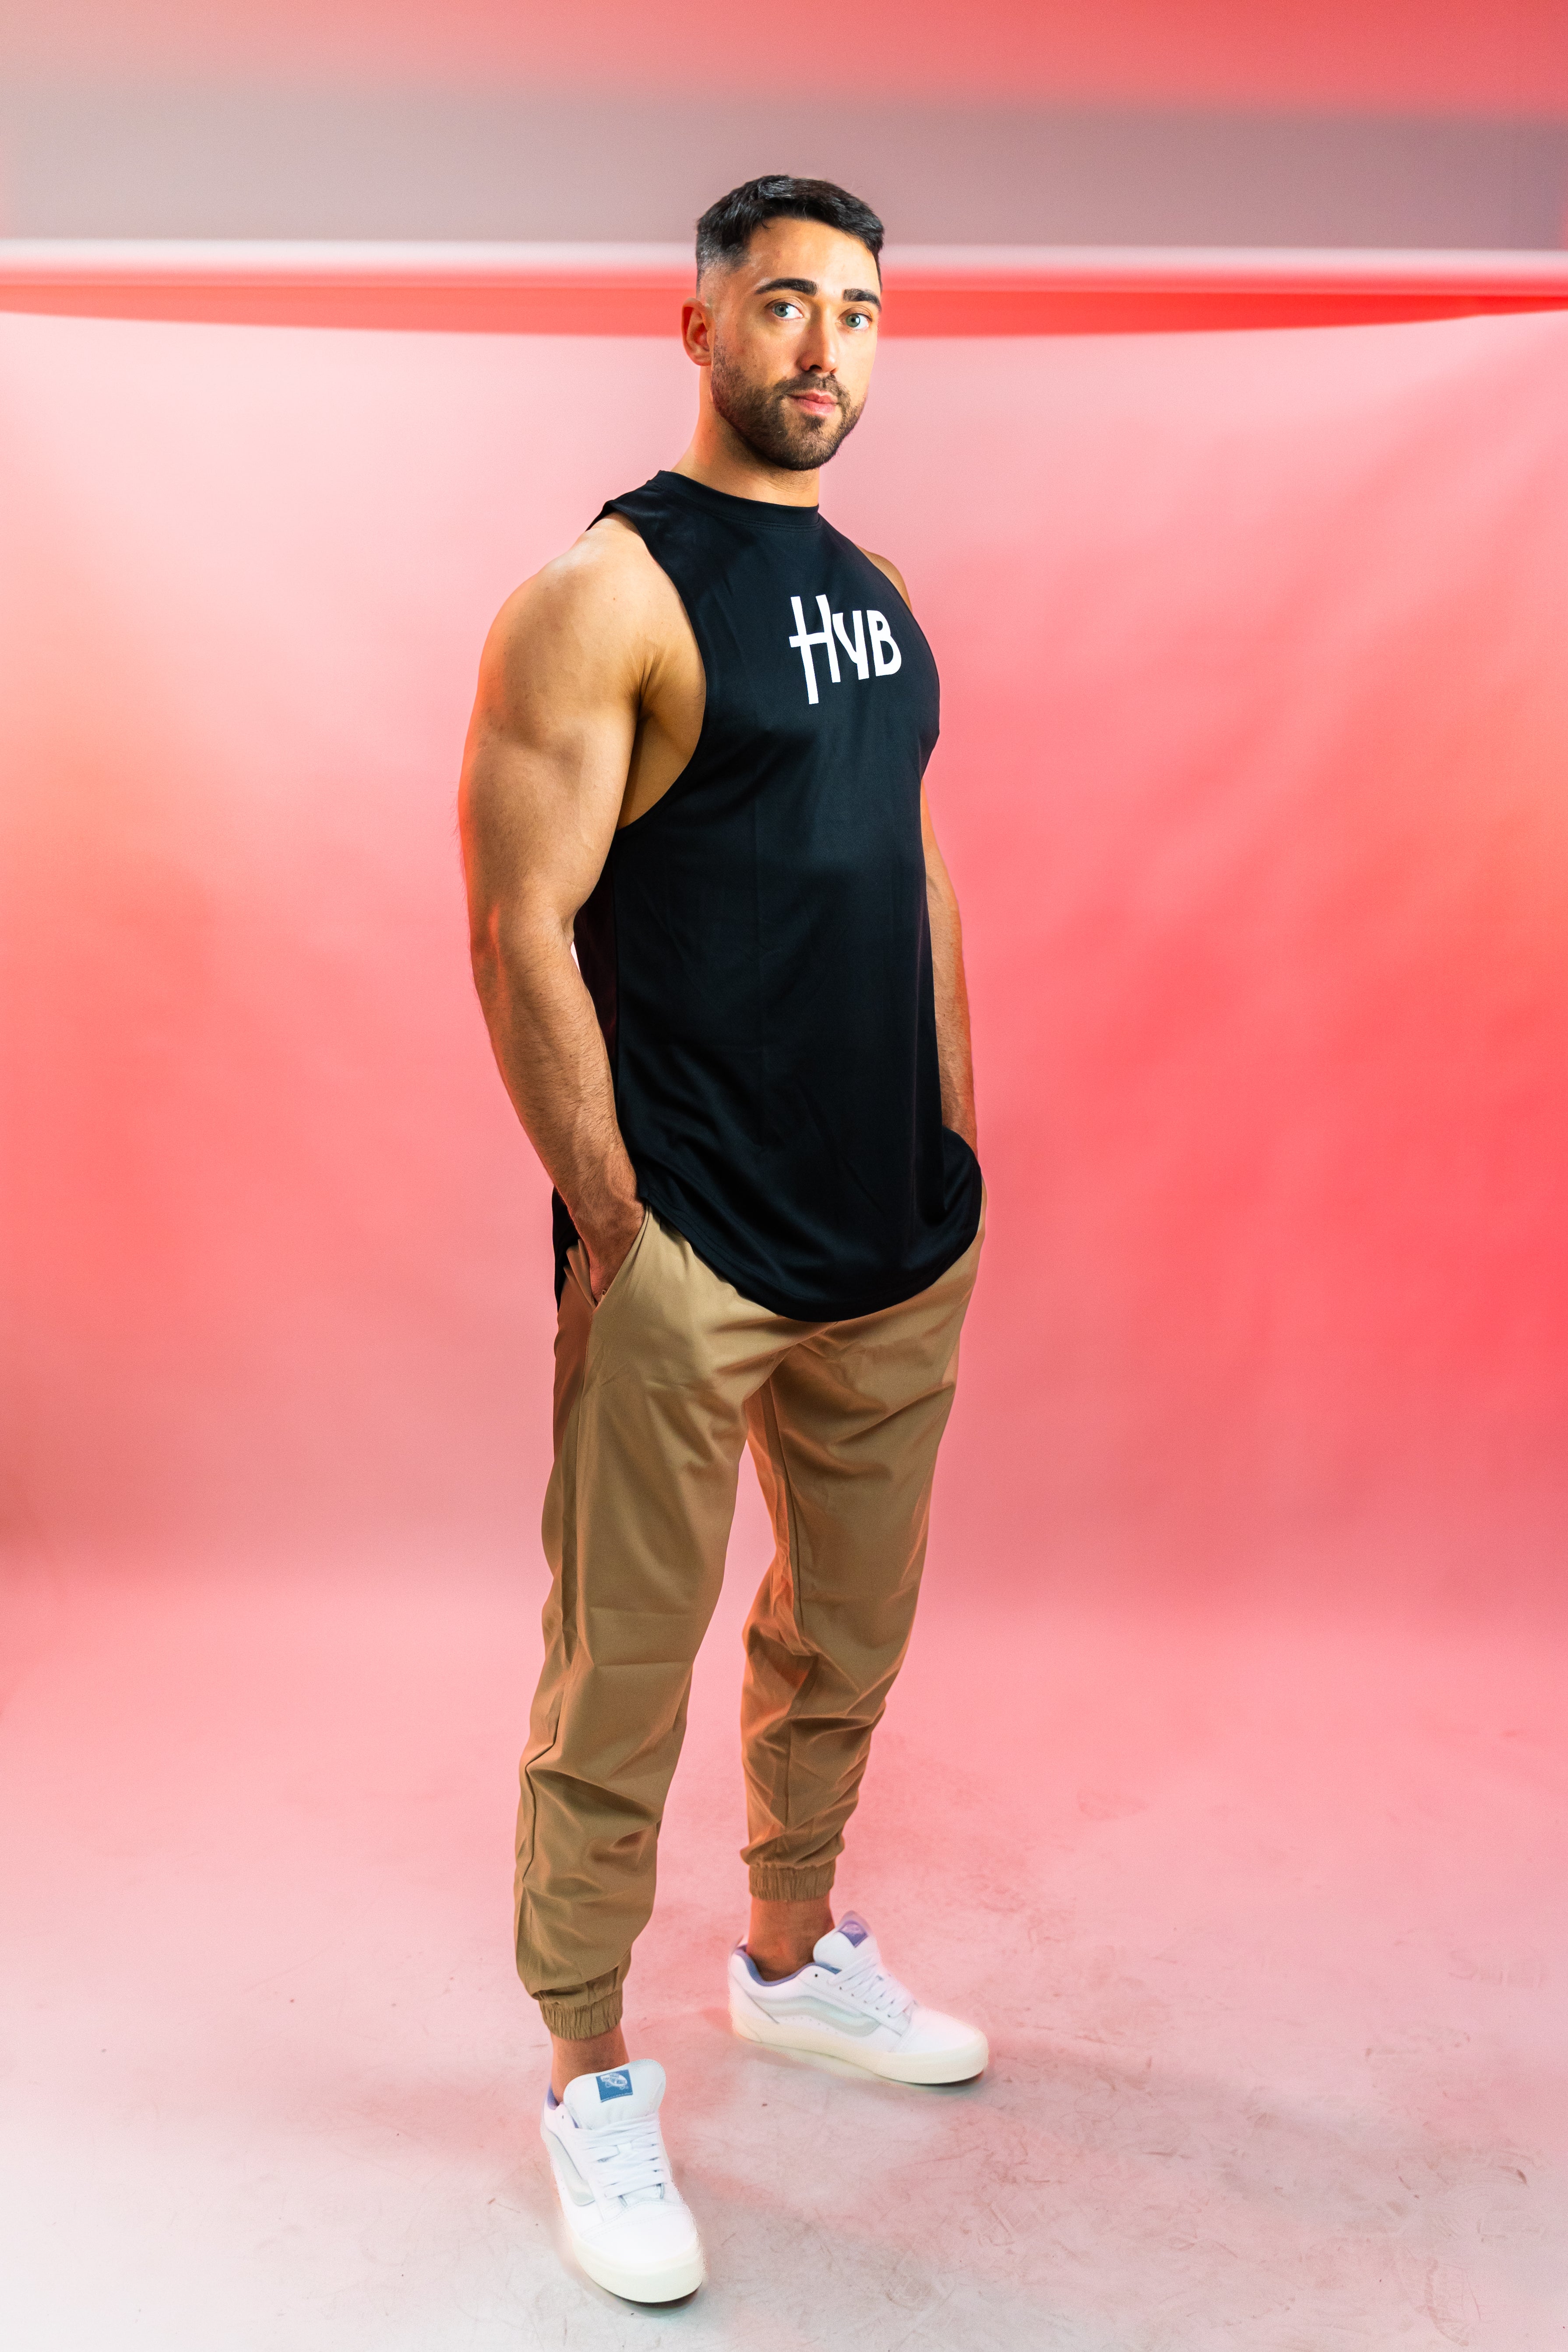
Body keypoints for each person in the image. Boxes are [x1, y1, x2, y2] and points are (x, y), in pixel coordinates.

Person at [458, 174, 986, 2306]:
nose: (820, 345)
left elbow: (910, 875)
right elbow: (518, 924)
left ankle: (786, 1952)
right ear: (696, 329)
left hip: (889, 1240)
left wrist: (955, 1146)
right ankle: (587, 2068)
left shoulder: (880, 594)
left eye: (854, 310)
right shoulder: (605, 595)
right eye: (780, 304)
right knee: (622, 1673)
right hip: (692, 1246)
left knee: (844, 1637)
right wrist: (614, 1217)